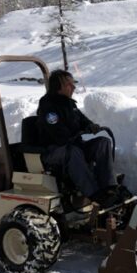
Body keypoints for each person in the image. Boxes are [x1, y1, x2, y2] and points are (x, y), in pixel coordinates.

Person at [36, 69, 120, 208]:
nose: (74, 87)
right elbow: (60, 135)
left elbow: (82, 120)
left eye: (73, 83)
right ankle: (94, 194)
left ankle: (109, 187)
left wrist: (92, 126)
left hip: (73, 144)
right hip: (53, 151)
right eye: (69, 84)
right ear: (58, 87)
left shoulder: (69, 104)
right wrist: (81, 132)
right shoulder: (48, 107)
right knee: (73, 152)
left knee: (103, 142)